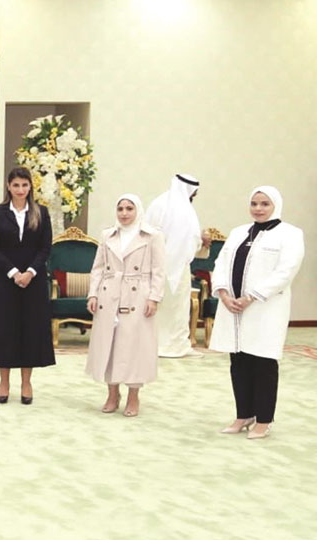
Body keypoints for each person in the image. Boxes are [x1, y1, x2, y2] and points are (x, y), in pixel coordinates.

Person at [210, 186, 304, 440]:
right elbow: (220, 263)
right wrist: (224, 294)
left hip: (265, 308)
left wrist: (251, 296)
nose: (258, 209)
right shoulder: (238, 232)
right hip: (233, 307)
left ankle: (264, 419)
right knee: (239, 361)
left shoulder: (290, 234)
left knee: (263, 362)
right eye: (254, 203)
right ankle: (244, 414)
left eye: (264, 204)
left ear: (276, 205)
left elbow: (286, 271)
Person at [84, 195, 165, 417]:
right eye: (120, 208)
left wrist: (154, 297)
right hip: (109, 294)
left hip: (138, 296)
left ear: (138, 210)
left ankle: (133, 396)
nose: (124, 213)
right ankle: (112, 393)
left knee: (134, 347)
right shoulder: (108, 235)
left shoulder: (152, 236)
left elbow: (159, 270)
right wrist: (93, 294)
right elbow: (98, 267)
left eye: (129, 208)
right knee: (109, 345)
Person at [0, 167, 55, 404]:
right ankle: (4, 382)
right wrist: (14, 273)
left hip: (33, 280)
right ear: (8, 186)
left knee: (30, 330)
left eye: (25, 185)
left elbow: (45, 247)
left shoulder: (41, 212)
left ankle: (26, 382)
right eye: (16, 185)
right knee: (5, 329)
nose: (20, 190)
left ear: (30, 187)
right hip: (5, 279)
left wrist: (30, 272)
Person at [144, 174, 210, 357]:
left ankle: (171, 345)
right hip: (168, 266)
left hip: (167, 266)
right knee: (167, 307)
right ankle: (166, 346)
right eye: (193, 193)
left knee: (176, 308)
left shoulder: (161, 204)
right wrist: (202, 241)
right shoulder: (180, 208)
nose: (193, 196)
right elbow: (189, 241)